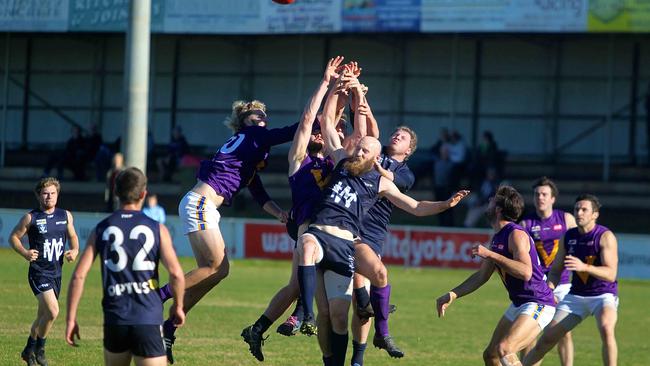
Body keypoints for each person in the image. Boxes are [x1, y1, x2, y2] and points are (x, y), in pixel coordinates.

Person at [296, 69, 468, 366]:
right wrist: (337, 87)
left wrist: (444, 204)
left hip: (353, 241)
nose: (359, 151)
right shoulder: (342, 161)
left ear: (375, 157)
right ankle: (304, 312)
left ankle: (368, 340)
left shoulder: (385, 179)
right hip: (324, 233)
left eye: (365, 150)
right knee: (312, 259)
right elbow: (330, 126)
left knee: (341, 312)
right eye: (359, 148)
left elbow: (414, 207)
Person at [157, 99, 297, 363]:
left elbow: (258, 192)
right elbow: (290, 131)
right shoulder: (253, 136)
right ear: (244, 122)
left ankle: (168, 330)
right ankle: (156, 298)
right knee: (216, 269)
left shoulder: (246, 149)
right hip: (202, 203)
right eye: (255, 117)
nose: (261, 120)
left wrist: (279, 212)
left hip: (201, 203)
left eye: (263, 117)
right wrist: (325, 113)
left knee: (211, 275)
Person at [241, 56, 344, 361]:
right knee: (321, 305)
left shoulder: (333, 158)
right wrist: (327, 82)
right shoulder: (299, 159)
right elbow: (311, 117)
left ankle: (259, 328)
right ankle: (304, 316)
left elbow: (330, 120)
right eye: (312, 131)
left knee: (295, 286)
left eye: (320, 132)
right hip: (307, 225)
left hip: (331, 230)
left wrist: (343, 88)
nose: (315, 133)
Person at [65, 167, 186, 366]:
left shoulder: (102, 228)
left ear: (115, 192)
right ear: (143, 194)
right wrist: (178, 306)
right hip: (147, 319)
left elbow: (79, 276)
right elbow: (176, 273)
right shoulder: (157, 229)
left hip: (115, 320)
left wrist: (71, 318)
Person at [436, 185, 556, 366]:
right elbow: (481, 276)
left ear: (498, 209)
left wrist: (490, 254)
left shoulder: (516, 234)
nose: (489, 202)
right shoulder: (498, 237)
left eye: (492, 200)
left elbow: (525, 271)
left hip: (538, 302)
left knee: (505, 350)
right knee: (491, 356)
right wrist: (452, 294)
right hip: (519, 303)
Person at [523, 194, 619, 366]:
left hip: (603, 295)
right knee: (547, 338)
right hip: (576, 296)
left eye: (584, 210)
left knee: (606, 328)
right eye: (576, 209)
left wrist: (585, 267)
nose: (579, 213)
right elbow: (556, 271)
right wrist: (549, 289)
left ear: (595, 214)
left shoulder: (605, 236)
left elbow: (611, 274)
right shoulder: (568, 236)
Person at [350, 125, 417, 365]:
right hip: (350, 222)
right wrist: (359, 98)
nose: (396, 135)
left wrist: (379, 169)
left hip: (374, 233)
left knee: (361, 306)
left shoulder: (406, 173)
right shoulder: (371, 151)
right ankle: (378, 318)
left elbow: (394, 181)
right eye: (395, 132)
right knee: (359, 283)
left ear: (408, 150)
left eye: (403, 137)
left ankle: (358, 359)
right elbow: (363, 127)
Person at [9, 177, 79, 366]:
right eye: (45, 193)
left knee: (42, 316)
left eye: (53, 193)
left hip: (56, 273)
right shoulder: (31, 217)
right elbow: (14, 237)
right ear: (39, 195)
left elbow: (73, 237)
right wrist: (24, 252)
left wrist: (74, 250)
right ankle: (40, 349)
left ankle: (28, 350)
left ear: (58, 195)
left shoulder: (65, 216)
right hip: (38, 272)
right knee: (53, 311)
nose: (49, 196)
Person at [519, 177, 577, 365]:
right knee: (530, 332)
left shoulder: (566, 219)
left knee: (562, 331)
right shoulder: (526, 224)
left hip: (564, 283)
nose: (540, 197)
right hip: (537, 285)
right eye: (537, 194)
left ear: (553, 198)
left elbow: (579, 245)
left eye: (544, 194)